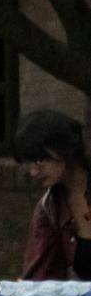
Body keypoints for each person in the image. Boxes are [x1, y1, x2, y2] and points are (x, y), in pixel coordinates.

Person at [15, 110, 91, 279]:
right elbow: (37, 274)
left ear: (62, 150)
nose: (33, 172)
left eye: (39, 160)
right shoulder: (50, 207)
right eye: (29, 163)